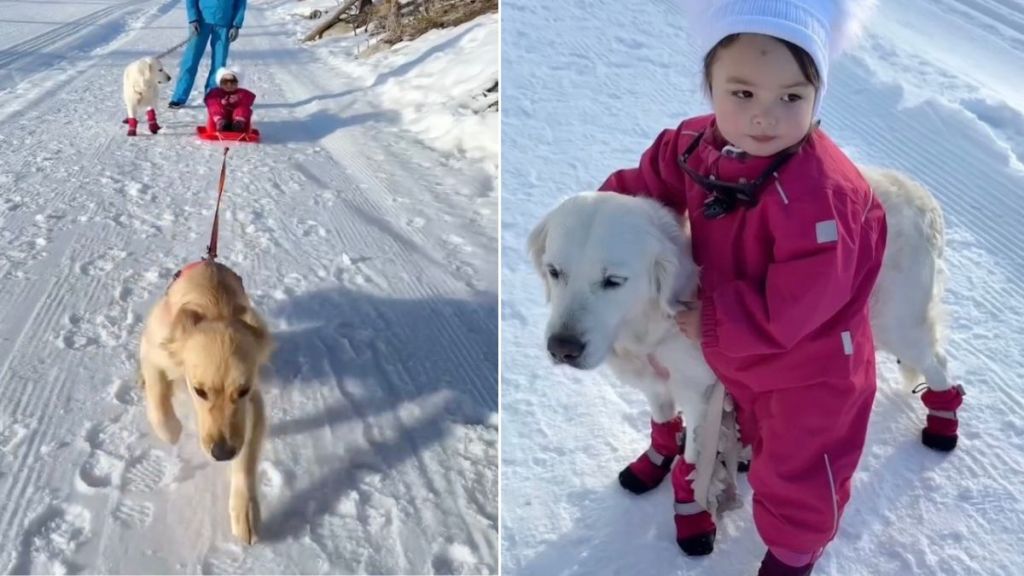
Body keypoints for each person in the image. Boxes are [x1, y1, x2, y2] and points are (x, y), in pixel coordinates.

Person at [597, 1, 949, 574]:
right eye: (743, 94)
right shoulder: (691, 146)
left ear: (818, 96)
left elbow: (802, 303)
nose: (766, 116)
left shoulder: (822, 197)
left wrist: (711, 320)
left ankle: (792, 555)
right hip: (744, 359)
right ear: (709, 85)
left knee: (800, 469)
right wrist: (599, 229)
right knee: (751, 437)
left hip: (811, 370)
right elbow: (640, 191)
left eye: (792, 97)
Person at [169, 0, 247, 108]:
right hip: (201, 22)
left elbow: (241, 3)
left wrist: (236, 25)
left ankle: (212, 95)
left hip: (224, 24)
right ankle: (179, 97)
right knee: (191, 60)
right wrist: (193, 19)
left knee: (219, 64)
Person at [204, 67, 255, 132]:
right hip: (220, 116)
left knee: (243, 107)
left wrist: (238, 100)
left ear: (237, 83)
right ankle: (221, 123)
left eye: (232, 82)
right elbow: (210, 100)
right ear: (220, 83)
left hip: (237, 116)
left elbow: (248, 100)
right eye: (225, 82)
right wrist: (220, 102)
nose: (229, 85)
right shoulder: (215, 92)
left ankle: (238, 124)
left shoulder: (242, 93)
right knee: (215, 106)